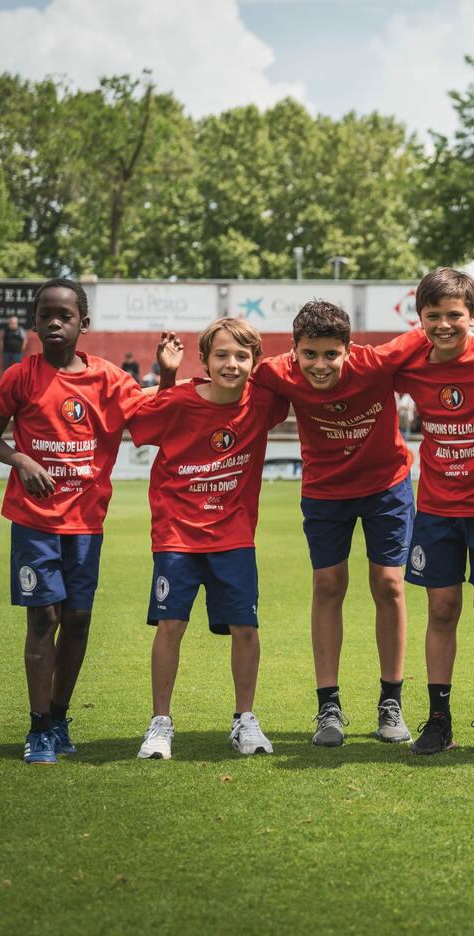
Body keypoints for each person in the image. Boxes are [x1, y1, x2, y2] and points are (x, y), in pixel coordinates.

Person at [0, 279, 178, 764]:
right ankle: (38, 727)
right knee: (43, 617)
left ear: (83, 324)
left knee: (78, 619)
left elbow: (154, 415)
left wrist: (168, 377)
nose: (54, 322)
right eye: (45, 314)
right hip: (34, 520)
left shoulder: (108, 379)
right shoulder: (19, 377)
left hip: (86, 521)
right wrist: (21, 459)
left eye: (64, 316)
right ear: (33, 323)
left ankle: (60, 717)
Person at [249, 301, 429, 747]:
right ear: (293, 349)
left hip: (386, 485)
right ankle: (328, 706)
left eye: (331, 354)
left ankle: (391, 703)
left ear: (349, 349)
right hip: (325, 490)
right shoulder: (275, 371)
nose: (320, 365)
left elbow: (433, 328)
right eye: (309, 354)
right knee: (328, 585)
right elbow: (229, 378)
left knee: (389, 585)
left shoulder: (376, 363)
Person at [129, 318, 289, 760]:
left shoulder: (263, 402)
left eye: (241, 356)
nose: (231, 364)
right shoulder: (178, 399)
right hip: (176, 535)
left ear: (255, 362)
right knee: (171, 625)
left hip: (234, 537)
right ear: (204, 360)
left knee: (246, 628)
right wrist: (166, 377)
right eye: (221, 355)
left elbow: (296, 376)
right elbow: (140, 422)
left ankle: (244, 719)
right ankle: (160, 722)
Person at [394, 269, 474, 757]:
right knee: (442, 609)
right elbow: (363, 371)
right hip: (436, 506)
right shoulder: (411, 365)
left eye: (454, 315)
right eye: (433, 316)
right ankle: (439, 719)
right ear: (420, 319)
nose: (444, 325)